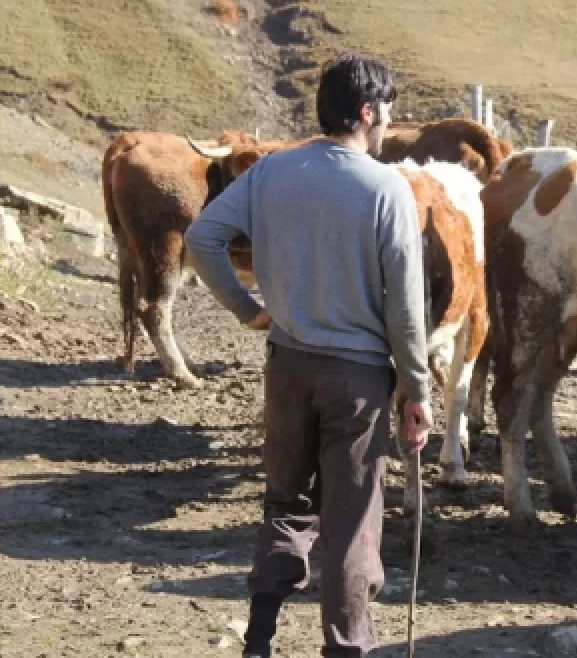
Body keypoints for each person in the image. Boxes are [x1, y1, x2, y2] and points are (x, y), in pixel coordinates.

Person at [185, 52, 434, 658]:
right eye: (388, 114)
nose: (388, 127)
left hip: (288, 366)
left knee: (285, 506)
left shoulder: (272, 173)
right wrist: (417, 390)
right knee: (352, 527)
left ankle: (260, 641)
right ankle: (347, 648)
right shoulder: (387, 189)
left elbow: (202, 238)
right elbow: (405, 307)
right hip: (359, 382)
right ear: (368, 111)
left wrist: (248, 310)